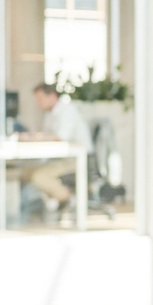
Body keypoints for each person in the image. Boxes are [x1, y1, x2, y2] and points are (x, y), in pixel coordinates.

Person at [20, 82, 94, 210]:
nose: (38, 103)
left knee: (39, 176)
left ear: (52, 96)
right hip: (61, 159)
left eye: (40, 98)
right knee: (25, 173)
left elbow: (60, 136)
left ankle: (67, 199)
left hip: (77, 160)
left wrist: (35, 137)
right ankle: (51, 202)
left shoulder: (67, 110)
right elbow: (47, 136)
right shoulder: (50, 113)